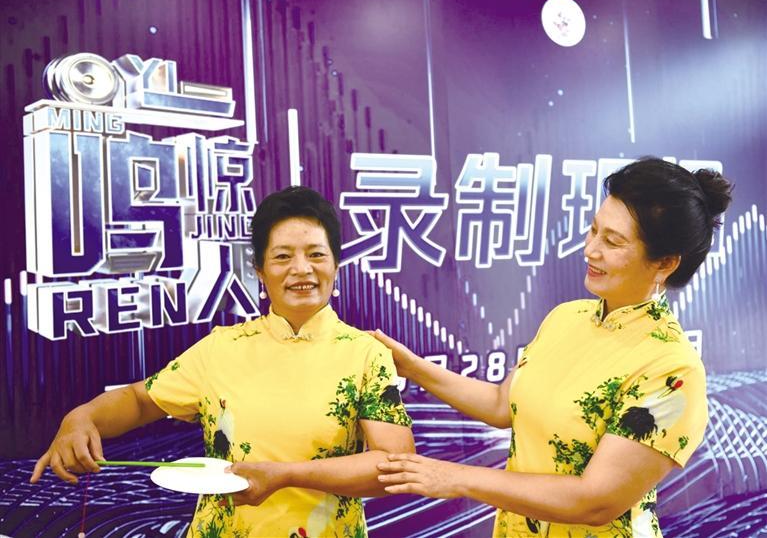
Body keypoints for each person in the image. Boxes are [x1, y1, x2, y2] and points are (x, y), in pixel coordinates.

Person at [374, 158, 733, 537]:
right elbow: (501, 403)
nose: (590, 250)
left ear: (665, 263)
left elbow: (596, 500)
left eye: (612, 241)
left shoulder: (672, 369)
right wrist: (410, 366)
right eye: (593, 230)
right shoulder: (566, 318)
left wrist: (459, 479)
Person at [30, 186, 415, 537]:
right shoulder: (222, 347)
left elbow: (393, 466)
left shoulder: (365, 354)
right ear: (260, 270)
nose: (301, 269)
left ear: (335, 264)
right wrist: (82, 418)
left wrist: (285, 475)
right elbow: (139, 400)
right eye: (282, 256)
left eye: (316, 254)